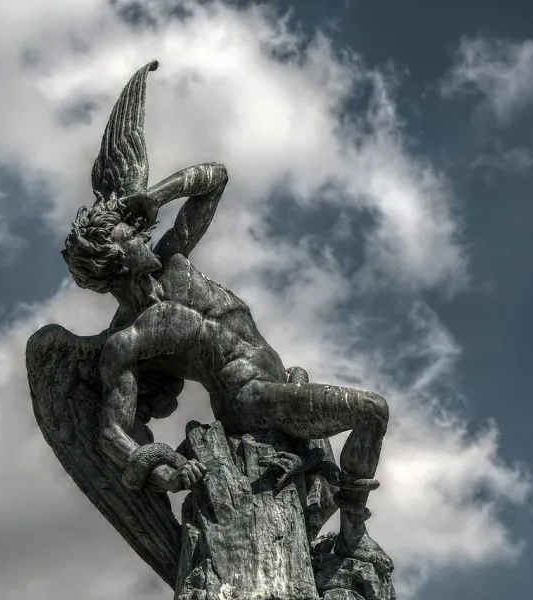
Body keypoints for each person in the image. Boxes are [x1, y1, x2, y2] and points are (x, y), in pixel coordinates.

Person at [62, 161, 391, 570]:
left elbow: (215, 179)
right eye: (127, 234)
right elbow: (113, 430)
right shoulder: (127, 339)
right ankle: (355, 532)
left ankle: (340, 524)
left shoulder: (173, 259)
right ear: (114, 258)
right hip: (252, 401)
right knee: (371, 410)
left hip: (279, 384)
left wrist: (155, 196)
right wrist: (155, 468)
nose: (139, 231)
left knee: (341, 443)